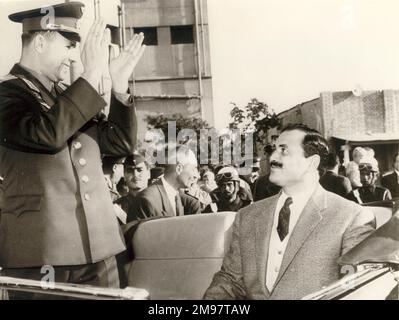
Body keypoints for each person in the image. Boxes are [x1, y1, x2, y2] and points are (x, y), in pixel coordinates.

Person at [0, 2, 146, 297]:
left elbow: (118, 143)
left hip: (100, 248)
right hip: (42, 252)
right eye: (68, 46)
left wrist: (118, 88)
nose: (72, 57)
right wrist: (91, 74)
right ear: (40, 41)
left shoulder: (69, 97)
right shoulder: (7, 93)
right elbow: (47, 134)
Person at [203, 123, 375, 300]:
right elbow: (231, 281)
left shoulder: (352, 217)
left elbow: (356, 292)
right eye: (274, 150)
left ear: (311, 162)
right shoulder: (247, 217)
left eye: (283, 150)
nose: (272, 158)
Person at [134, 145, 201, 218]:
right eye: (193, 169)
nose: (196, 176)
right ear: (179, 169)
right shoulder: (146, 200)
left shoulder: (178, 197)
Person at [114, 153, 151, 223]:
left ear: (148, 174)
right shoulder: (117, 208)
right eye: (130, 170)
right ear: (124, 176)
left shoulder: (158, 201)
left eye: (139, 170)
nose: (135, 174)